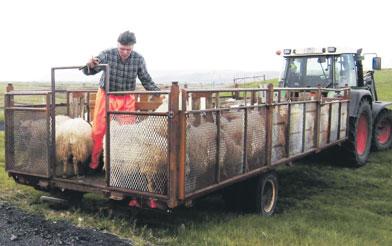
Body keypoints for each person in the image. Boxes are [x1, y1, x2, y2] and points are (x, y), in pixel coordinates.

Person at [82, 30, 160, 172]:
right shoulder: (108, 54)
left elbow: (145, 79)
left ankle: (123, 168)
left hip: (126, 98)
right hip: (106, 95)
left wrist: (157, 93)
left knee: (126, 132)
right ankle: (94, 164)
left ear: (133, 47)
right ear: (117, 45)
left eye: (128, 49)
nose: (124, 52)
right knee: (99, 131)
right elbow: (92, 68)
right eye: (122, 49)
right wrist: (91, 64)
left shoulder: (138, 59)